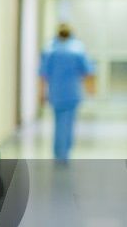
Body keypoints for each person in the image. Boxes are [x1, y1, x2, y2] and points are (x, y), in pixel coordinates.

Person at [40, 24, 95, 164]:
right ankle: (65, 153)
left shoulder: (50, 50)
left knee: (58, 124)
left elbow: (43, 74)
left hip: (56, 93)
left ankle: (58, 152)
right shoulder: (77, 50)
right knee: (69, 124)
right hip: (72, 92)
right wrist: (91, 89)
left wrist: (41, 93)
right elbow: (87, 71)